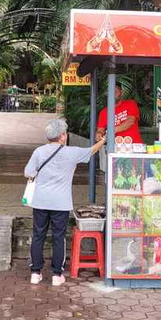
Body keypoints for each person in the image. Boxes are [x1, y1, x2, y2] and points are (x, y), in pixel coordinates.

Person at [25, 119, 106, 286]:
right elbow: (91, 151)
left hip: (40, 201)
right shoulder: (71, 152)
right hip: (60, 203)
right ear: (62, 136)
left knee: (38, 235)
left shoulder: (39, 152)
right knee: (58, 237)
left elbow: (28, 173)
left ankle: (35, 273)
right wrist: (104, 140)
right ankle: (56, 275)